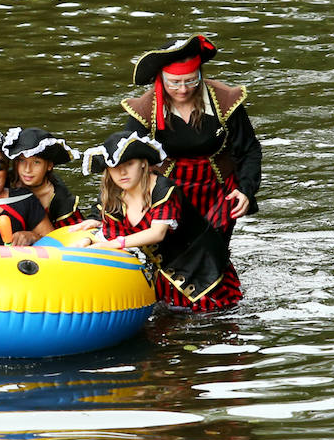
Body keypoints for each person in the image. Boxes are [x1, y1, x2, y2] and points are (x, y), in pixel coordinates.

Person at [78, 130, 242, 311]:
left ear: (143, 164)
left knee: (213, 321)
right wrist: (89, 240)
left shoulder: (164, 189)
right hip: (163, 274)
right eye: (115, 167)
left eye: (129, 164)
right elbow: (109, 236)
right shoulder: (111, 197)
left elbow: (157, 233)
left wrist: (114, 243)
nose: (122, 172)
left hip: (201, 269)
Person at [121, 34, 262, 241]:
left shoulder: (225, 101)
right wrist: (103, 212)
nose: (183, 89)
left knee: (212, 251)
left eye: (190, 81)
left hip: (219, 190)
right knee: (171, 254)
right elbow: (122, 158)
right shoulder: (144, 109)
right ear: (160, 79)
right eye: (174, 83)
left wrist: (246, 191)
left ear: (200, 75)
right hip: (166, 190)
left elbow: (249, 149)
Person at [2, 126, 84, 227]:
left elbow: (73, 233)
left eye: (36, 162)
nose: (27, 170)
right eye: (22, 161)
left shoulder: (60, 199)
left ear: (49, 165)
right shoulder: (5, 181)